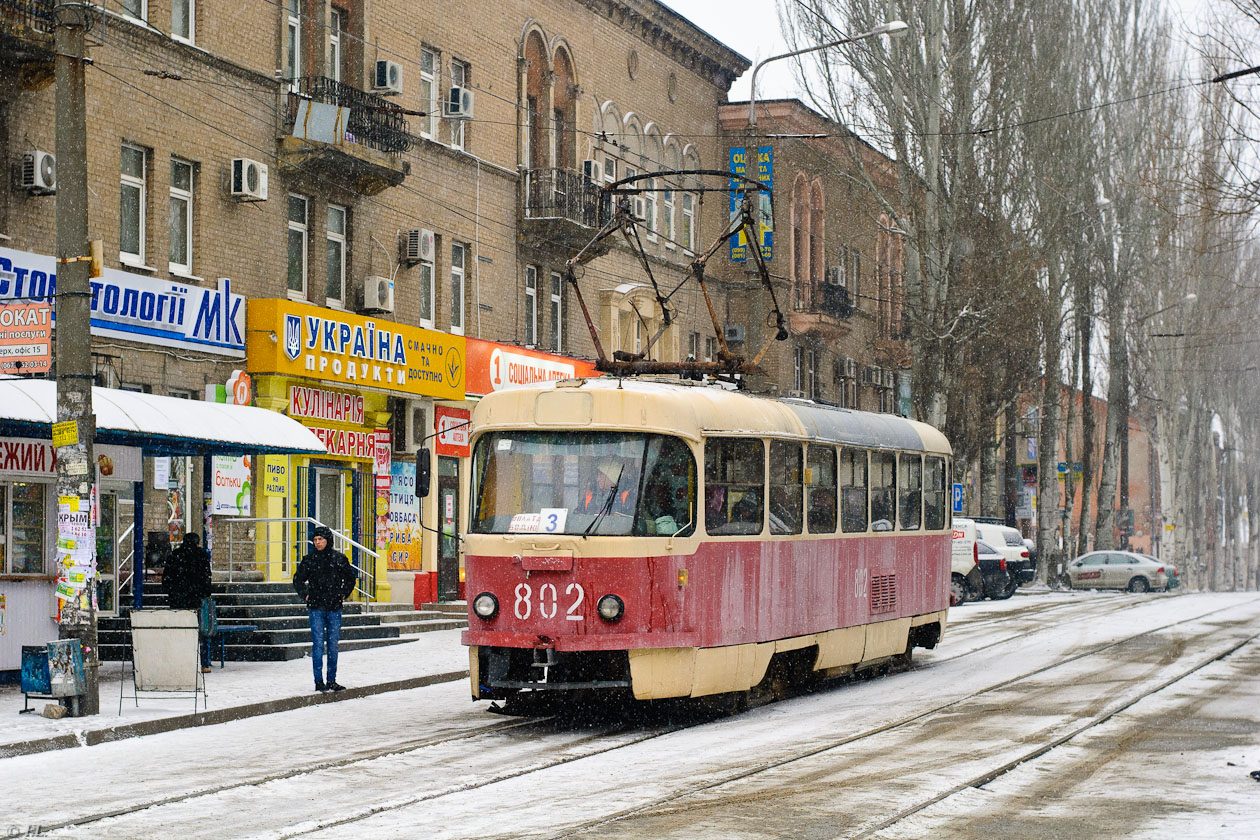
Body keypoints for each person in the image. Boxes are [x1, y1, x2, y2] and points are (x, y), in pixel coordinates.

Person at [293, 526, 358, 692]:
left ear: (328, 540)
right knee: (318, 644)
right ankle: (318, 681)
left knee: (333, 645)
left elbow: (350, 578)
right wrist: (306, 595)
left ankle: (331, 680)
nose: (317, 542)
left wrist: (343, 594)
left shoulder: (339, 559)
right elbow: (298, 579)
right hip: (316, 606)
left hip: (334, 607)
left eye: (320, 539)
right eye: (315, 540)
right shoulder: (310, 560)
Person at [163, 533, 214, 673]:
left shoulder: (175, 555)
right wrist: (205, 593)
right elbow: (206, 576)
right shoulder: (201, 555)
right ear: (197, 542)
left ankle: (179, 660)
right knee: (198, 630)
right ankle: (201, 662)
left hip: (177, 599)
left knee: (179, 630)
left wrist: (171, 591)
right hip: (194, 598)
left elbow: (167, 577)